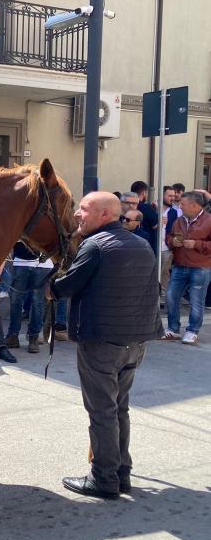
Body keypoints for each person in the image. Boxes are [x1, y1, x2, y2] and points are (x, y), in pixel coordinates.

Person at [50, 192, 161, 499]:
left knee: (102, 411)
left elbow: (69, 286)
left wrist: (50, 287)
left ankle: (104, 478)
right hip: (135, 342)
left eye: (83, 209)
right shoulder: (141, 244)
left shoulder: (95, 245)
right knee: (118, 408)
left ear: (104, 214)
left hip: (102, 342)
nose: (76, 215)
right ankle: (121, 473)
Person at [163, 191, 211, 344]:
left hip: (200, 267)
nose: (180, 206)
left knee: (196, 301)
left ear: (194, 205)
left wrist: (197, 244)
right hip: (179, 264)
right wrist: (172, 242)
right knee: (171, 296)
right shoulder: (179, 220)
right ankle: (173, 329)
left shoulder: (209, 220)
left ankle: (192, 331)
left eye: (183, 204)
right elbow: (169, 236)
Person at [4, 242, 50, 353]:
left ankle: (33, 338)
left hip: (42, 263)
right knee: (16, 301)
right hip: (21, 261)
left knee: (37, 303)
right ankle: (13, 336)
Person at [131, 181, 159, 253]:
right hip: (147, 245)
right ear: (143, 193)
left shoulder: (127, 207)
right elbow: (155, 226)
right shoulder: (146, 207)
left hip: (130, 243)